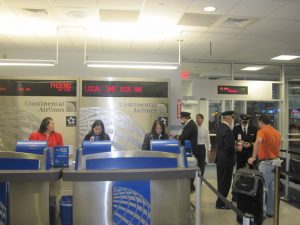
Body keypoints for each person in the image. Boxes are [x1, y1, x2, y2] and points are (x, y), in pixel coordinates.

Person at [248, 114, 281, 218]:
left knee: (262, 188)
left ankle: (261, 213)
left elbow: (258, 141)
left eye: (258, 122)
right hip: (276, 162)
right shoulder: (277, 132)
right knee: (272, 188)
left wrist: (253, 157)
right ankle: (270, 212)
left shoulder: (261, 131)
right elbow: (278, 147)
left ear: (261, 122)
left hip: (266, 163)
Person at [215, 111, 236, 209]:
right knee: (225, 182)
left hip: (220, 158)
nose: (232, 120)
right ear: (228, 118)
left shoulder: (220, 128)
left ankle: (221, 201)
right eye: (232, 118)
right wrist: (236, 148)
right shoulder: (227, 130)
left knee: (221, 181)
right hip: (227, 159)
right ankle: (221, 203)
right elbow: (229, 147)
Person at [176, 111, 198, 192]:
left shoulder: (190, 125)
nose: (181, 120)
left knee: (190, 168)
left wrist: (176, 136)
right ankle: (190, 186)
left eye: (181, 118)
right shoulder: (190, 124)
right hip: (189, 150)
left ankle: (191, 187)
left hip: (190, 150)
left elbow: (183, 137)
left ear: (184, 118)